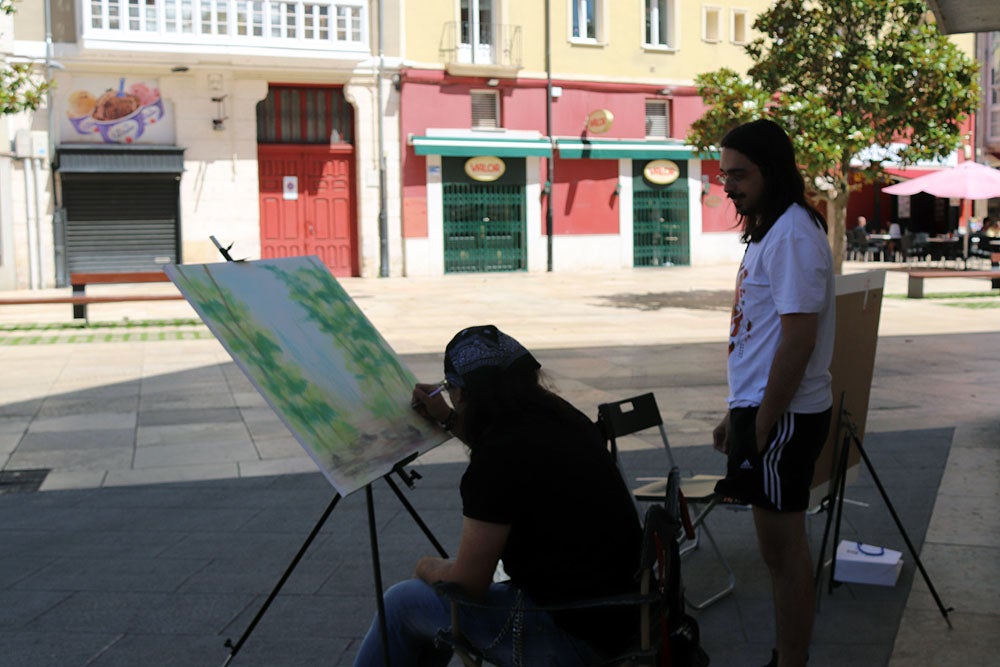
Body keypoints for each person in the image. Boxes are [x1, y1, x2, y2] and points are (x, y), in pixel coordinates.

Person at [354, 325, 643, 667]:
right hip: (626, 614)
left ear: (461, 393)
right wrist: (446, 418)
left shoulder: (498, 459)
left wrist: (427, 567)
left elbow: (468, 584)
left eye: (452, 390)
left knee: (404, 603)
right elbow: (509, 453)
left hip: (575, 632)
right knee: (432, 601)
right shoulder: (561, 417)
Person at [713, 119, 835, 667]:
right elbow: (758, 334)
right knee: (775, 550)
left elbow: (798, 338)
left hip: (782, 418)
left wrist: (761, 422)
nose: (729, 185)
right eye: (723, 175)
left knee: (784, 554)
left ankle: (791, 661)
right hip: (763, 411)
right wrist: (735, 413)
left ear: (772, 171)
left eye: (739, 174)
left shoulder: (791, 233)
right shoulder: (769, 228)